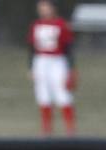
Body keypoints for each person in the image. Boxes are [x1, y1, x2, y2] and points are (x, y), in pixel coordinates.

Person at [30, 0, 76, 137]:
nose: (43, 10)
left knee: (63, 94)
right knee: (43, 95)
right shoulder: (36, 25)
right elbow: (31, 48)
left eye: (46, 7)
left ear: (53, 8)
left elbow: (68, 48)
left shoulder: (61, 24)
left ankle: (70, 131)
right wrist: (31, 67)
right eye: (41, 7)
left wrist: (71, 69)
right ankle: (46, 131)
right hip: (40, 61)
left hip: (57, 61)